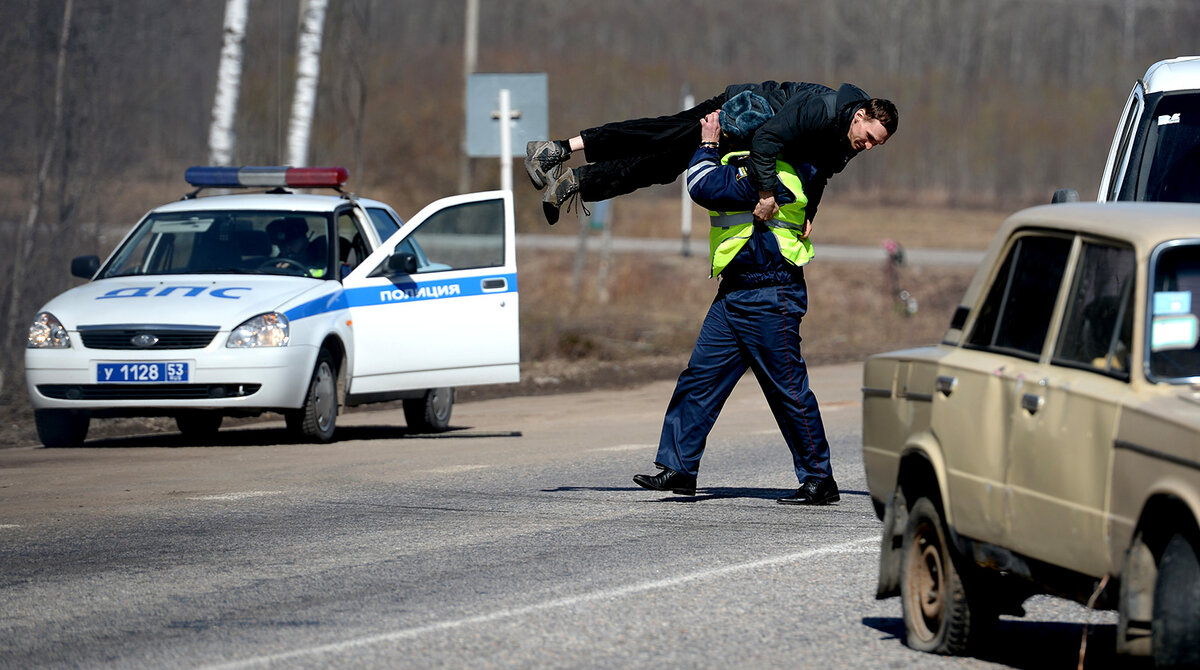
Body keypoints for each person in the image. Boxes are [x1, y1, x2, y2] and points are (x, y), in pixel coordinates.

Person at [633, 106, 893, 505]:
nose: (870, 146)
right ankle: (679, 469)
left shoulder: (767, 173)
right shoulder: (782, 167)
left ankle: (819, 479)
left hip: (771, 296)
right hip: (735, 293)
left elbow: (701, 185)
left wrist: (706, 143)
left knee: (788, 391)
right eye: (871, 137)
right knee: (699, 379)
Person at [525, 81, 896, 224]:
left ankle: (576, 183)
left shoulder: (849, 138)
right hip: (736, 112)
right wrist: (766, 194)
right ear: (860, 115)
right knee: (662, 135)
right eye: (868, 136)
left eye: (875, 145)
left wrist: (810, 213)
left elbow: (820, 173)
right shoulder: (822, 109)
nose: (868, 146)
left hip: (743, 138)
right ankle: (557, 148)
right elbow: (768, 140)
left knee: (659, 166)